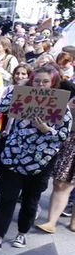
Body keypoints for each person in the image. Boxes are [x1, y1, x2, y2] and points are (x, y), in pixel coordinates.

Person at [0, 68, 71, 250]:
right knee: (7, 198)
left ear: (52, 83)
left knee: (30, 200)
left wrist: (47, 130)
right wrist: (18, 89)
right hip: (14, 155)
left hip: (41, 161)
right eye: (37, 81)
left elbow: (63, 135)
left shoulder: (60, 105)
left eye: (45, 81)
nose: (41, 85)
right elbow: (1, 108)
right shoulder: (23, 96)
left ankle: (22, 233)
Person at [36, 92, 75, 234]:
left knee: (68, 184)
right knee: (60, 183)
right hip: (70, 141)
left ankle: (74, 221)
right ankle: (51, 222)